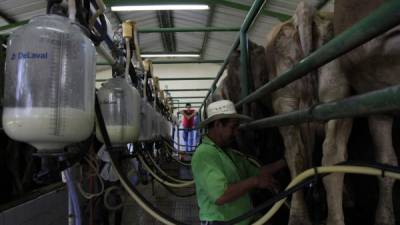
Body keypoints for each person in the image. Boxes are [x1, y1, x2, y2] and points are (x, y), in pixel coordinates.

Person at [191, 100, 286, 225]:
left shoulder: (228, 153)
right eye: (233, 127)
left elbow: (257, 171)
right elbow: (221, 195)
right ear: (218, 124)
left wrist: (285, 161)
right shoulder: (204, 154)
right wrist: (256, 181)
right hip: (220, 221)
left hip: (241, 219)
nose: (236, 133)